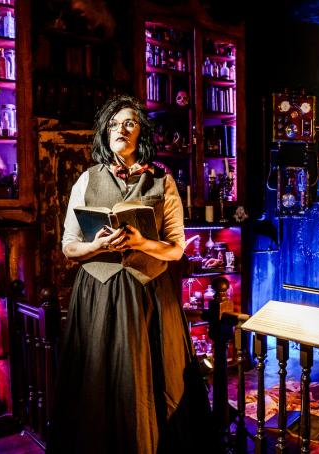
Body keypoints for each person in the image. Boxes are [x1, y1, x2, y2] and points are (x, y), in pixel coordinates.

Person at [50, 94, 213, 453]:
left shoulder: (162, 181)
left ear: (141, 132)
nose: (120, 130)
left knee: (148, 377)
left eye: (129, 123)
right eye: (113, 124)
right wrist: (97, 246)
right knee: (100, 380)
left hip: (148, 294)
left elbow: (176, 248)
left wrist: (142, 243)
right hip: (100, 295)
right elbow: (69, 246)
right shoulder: (86, 180)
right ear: (104, 133)